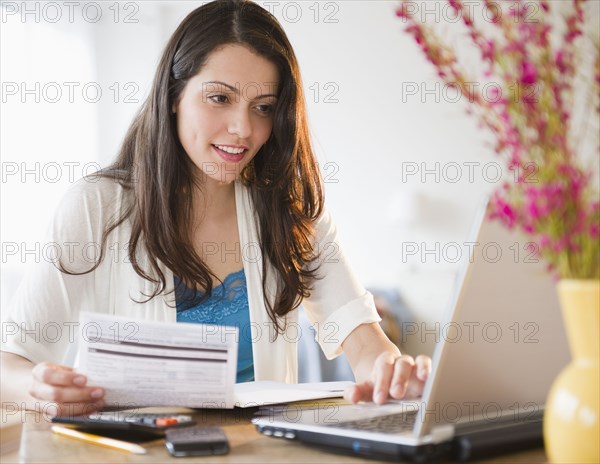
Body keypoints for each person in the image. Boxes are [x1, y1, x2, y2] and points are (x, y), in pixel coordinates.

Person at [0, 0, 431, 418]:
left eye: (263, 107)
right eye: (220, 98)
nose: (243, 128)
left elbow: (365, 343)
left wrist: (392, 375)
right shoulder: (96, 206)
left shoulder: (291, 210)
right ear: (173, 95)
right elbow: (9, 366)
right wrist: (39, 388)